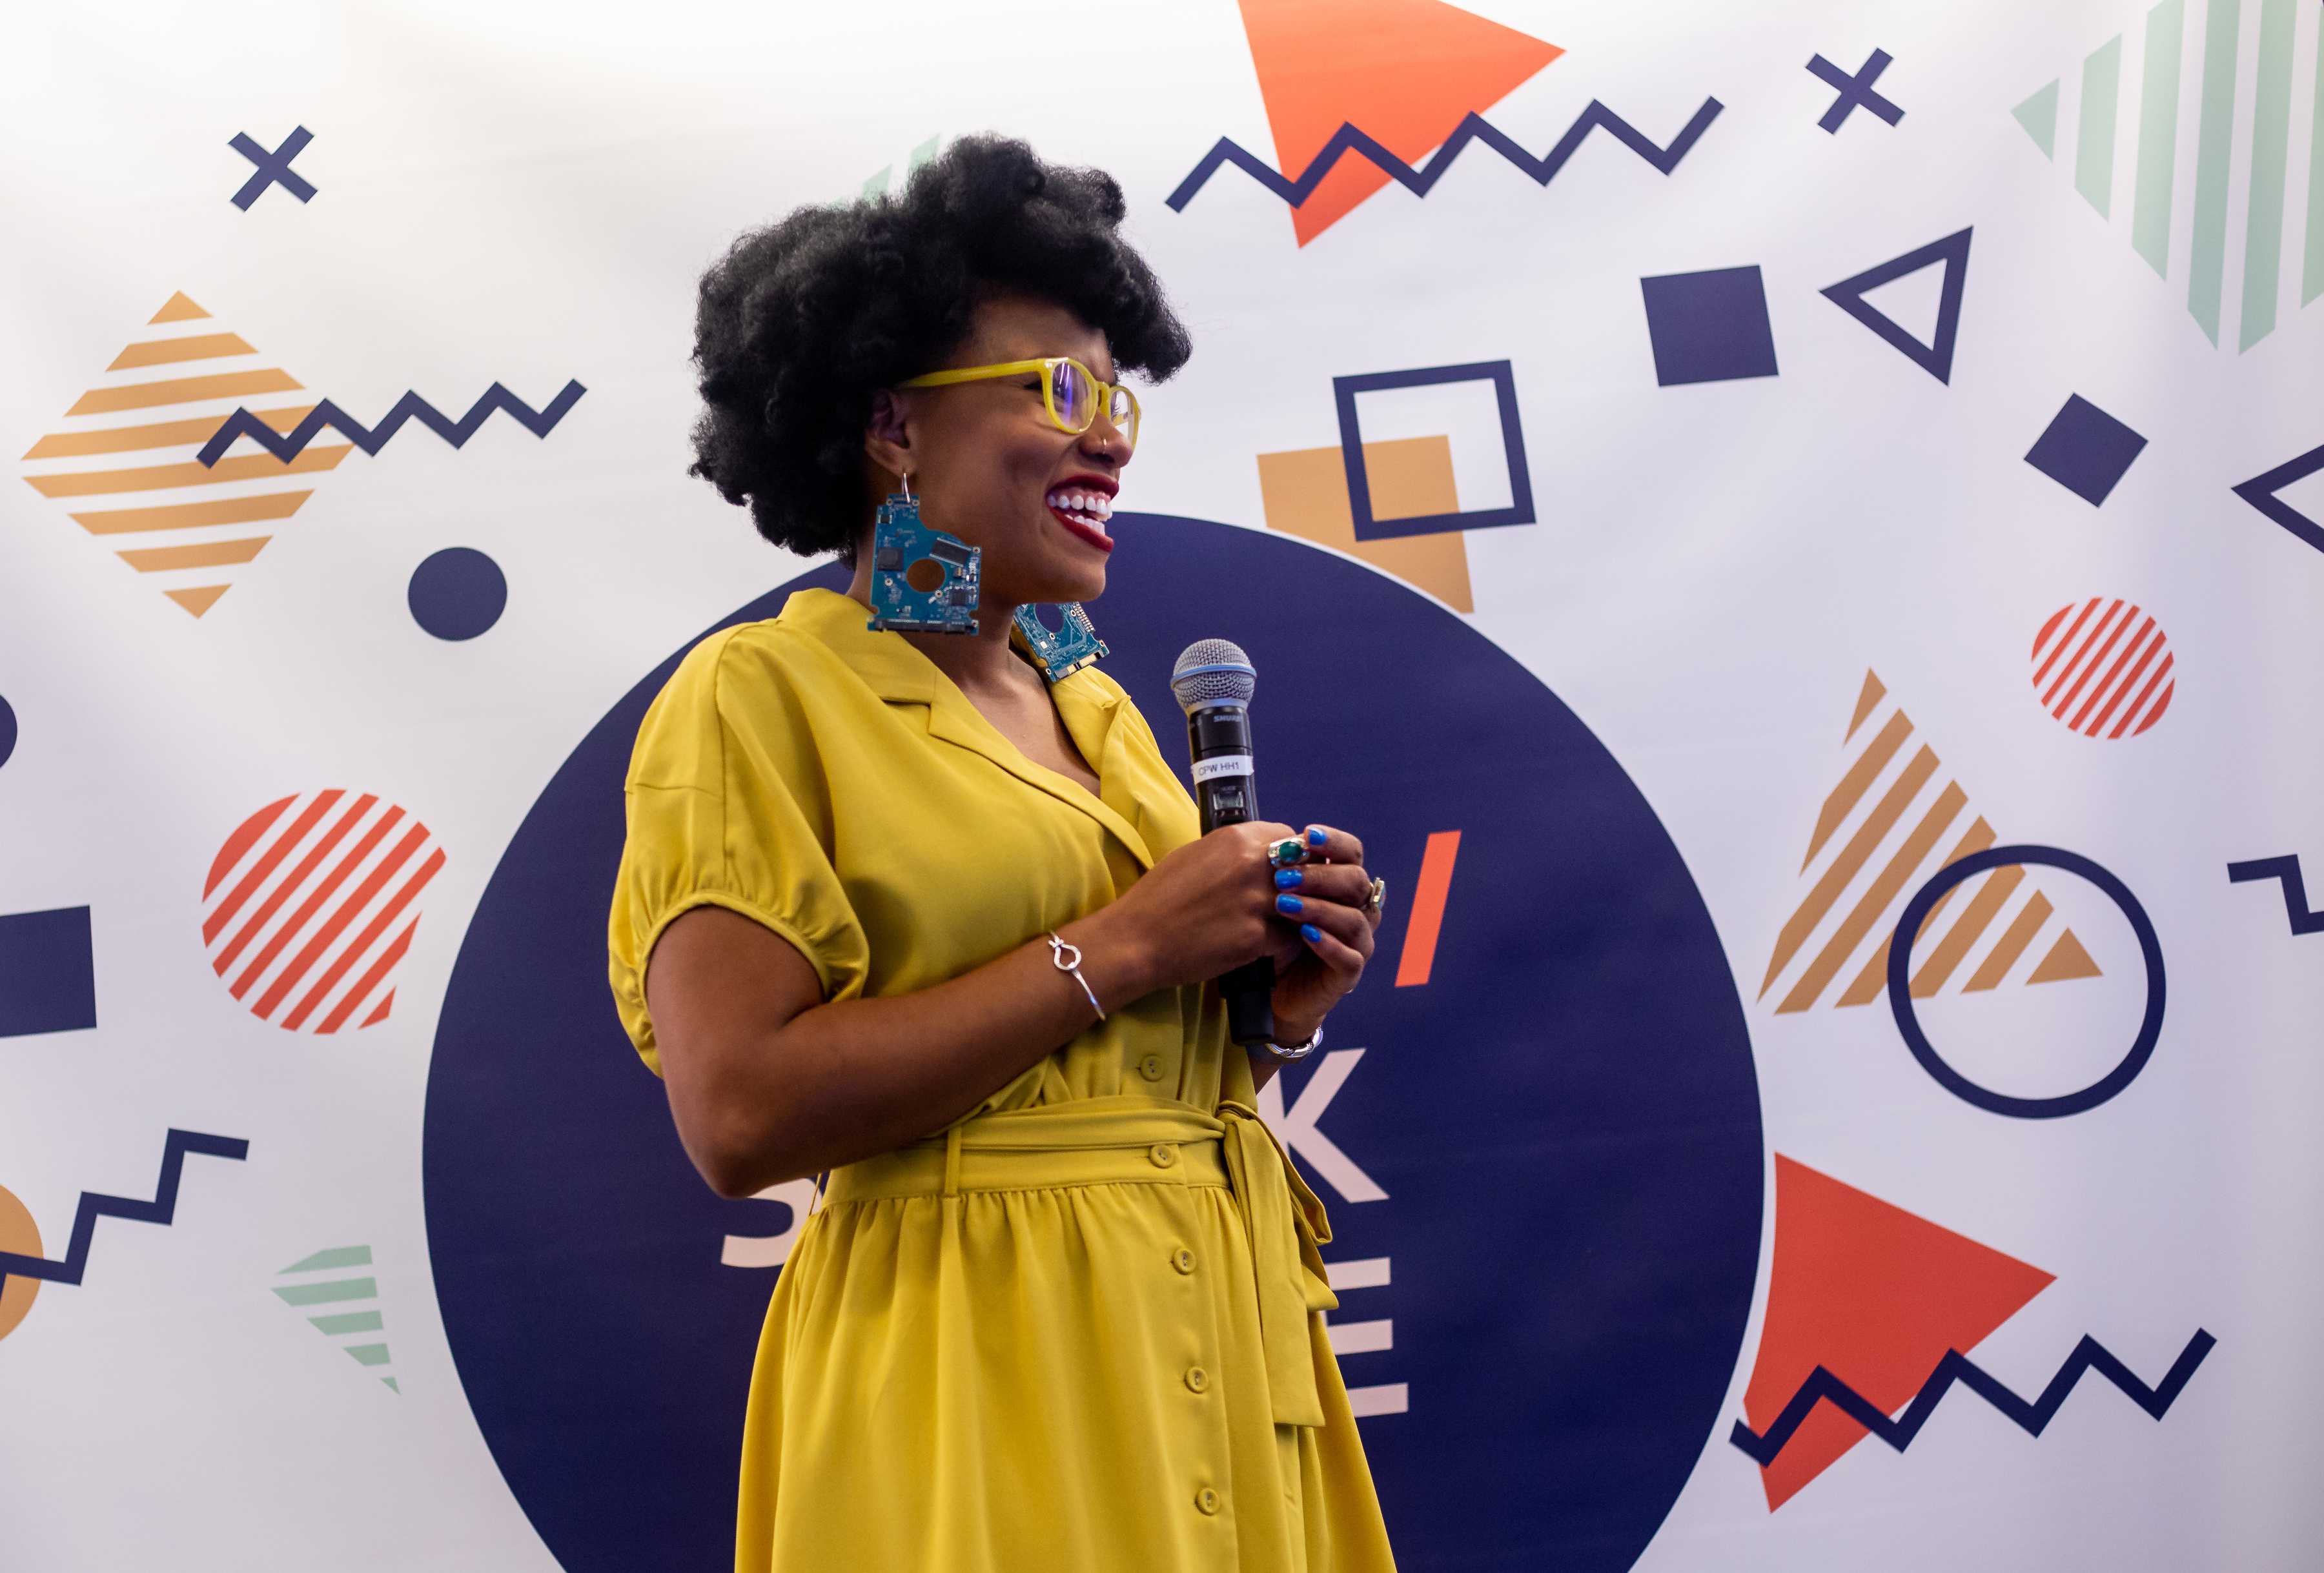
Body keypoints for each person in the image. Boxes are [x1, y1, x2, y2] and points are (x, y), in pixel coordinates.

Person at [606, 134, 1398, 1572]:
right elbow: (738, 1116)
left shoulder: (1092, 700)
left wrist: (1261, 1016)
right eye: (1061, 390)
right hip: (975, 1355)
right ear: (892, 424)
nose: (1108, 435)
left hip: (1217, 1320)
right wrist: (1141, 941)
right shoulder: (756, 701)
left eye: (1121, 401)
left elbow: (1114, 1041)